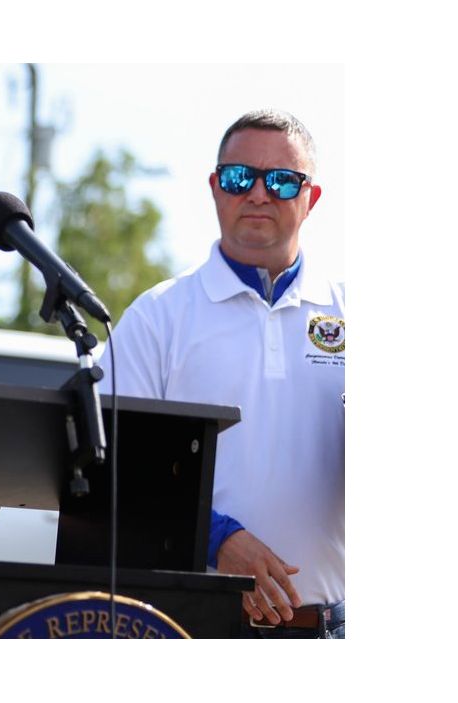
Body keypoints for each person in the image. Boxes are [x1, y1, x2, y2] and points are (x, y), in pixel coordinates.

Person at [101, 109, 344, 638]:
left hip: (332, 632)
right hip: (190, 627)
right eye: (239, 177)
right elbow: (111, 464)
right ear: (214, 187)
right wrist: (214, 540)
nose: (258, 194)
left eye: (282, 180)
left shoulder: (353, 313)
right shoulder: (158, 316)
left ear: (312, 198)